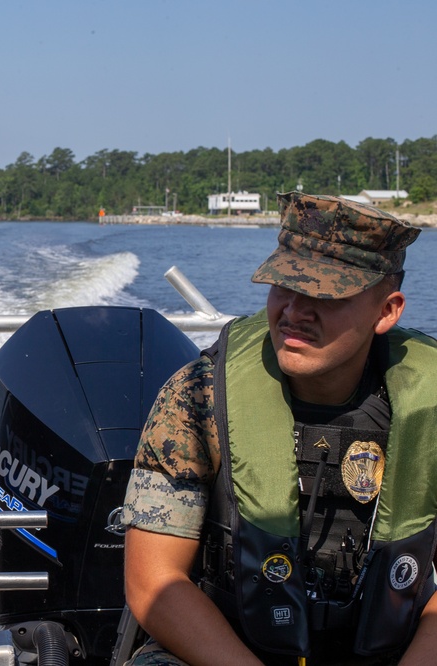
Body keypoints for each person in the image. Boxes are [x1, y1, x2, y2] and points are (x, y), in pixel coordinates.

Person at [121, 192, 437, 665]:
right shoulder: (199, 396)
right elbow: (154, 582)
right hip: (225, 649)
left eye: (326, 294)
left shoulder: (427, 409)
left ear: (388, 311)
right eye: (283, 286)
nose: (294, 312)